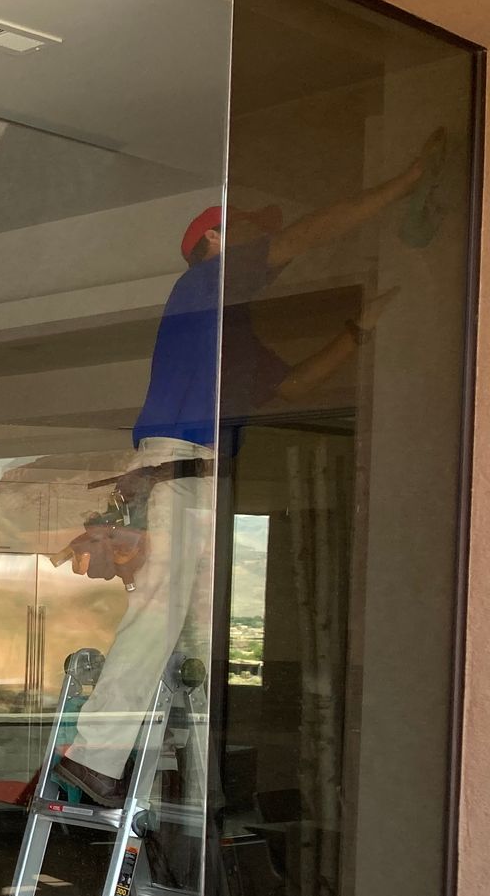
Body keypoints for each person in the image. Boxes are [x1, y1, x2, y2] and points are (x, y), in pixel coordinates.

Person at [53, 130, 443, 807]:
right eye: (243, 237)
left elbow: (290, 389)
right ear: (210, 244)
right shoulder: (203, 284)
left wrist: (361, 329)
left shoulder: (230, 337)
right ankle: (93, 754)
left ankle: (134, 758)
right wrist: (401, 184)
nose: (265, 250)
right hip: (176, 467)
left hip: (193, 476)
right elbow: (307, 237)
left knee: (179, 616)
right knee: (160, 609)